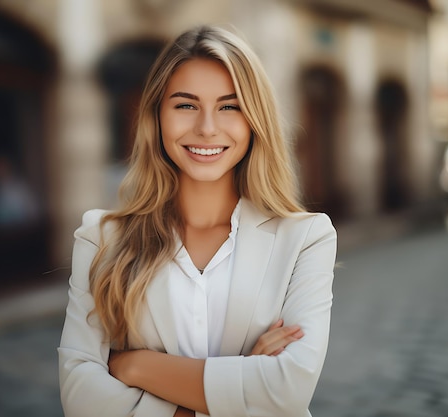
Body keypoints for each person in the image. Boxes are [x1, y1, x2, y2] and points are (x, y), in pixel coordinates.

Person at [58, 25, 337, 417]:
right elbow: (80, 399)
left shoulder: (306, 238)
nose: (207, 127)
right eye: (186, 105)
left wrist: (133, 366)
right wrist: (238, 384)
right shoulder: (101, 239)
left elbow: (286, 390)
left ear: (254, 119)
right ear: (156, 116)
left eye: (229, 106)